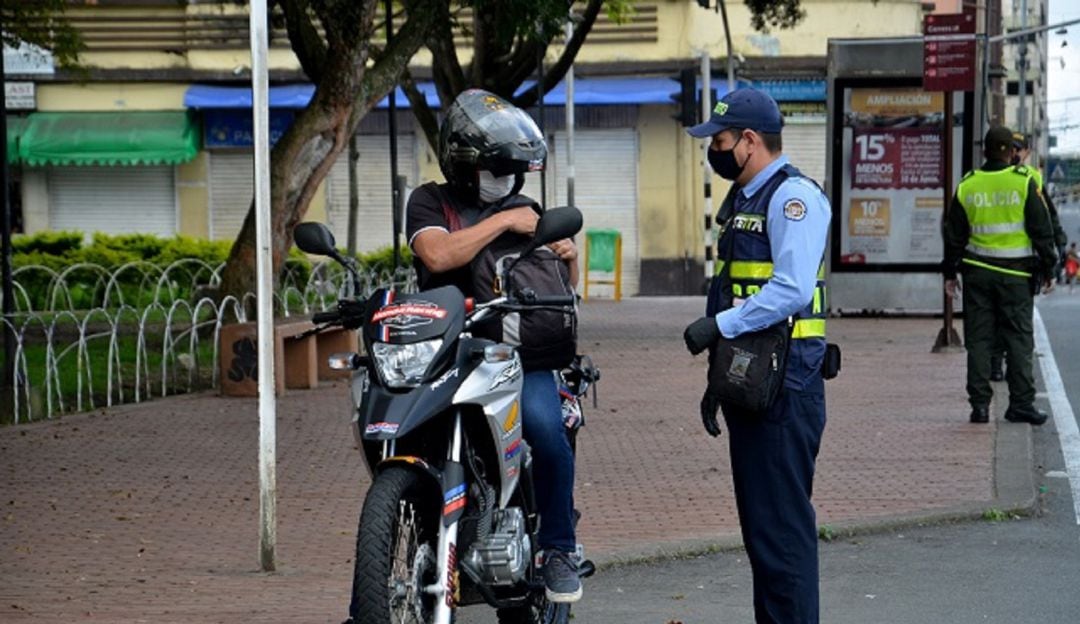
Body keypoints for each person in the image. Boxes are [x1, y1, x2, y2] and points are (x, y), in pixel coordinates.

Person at [404, 89, 583, 603]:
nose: (507, 179)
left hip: (518, 355)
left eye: (514, 169)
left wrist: (568, 255)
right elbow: (436, 256)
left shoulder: (527, 205)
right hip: (442, 353)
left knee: (547, 429)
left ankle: (557, 548)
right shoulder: (429, 201)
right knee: (404, 462)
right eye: (497, 167)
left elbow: (563, 287)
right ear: (464, 163)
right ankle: (369, 598)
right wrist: (504, 222)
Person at [681, 87, 831, 624]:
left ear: (749, 141)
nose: (714, 152)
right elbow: (743, 290)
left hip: (786, 391)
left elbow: (790, 290)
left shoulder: (793, 199)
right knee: (764, 537)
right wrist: (719, 379)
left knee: (782, 537)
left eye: (719, 141)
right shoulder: (746, 200)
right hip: (755, 384)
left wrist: (717, 326)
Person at [943, 126, 1058, 425]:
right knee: (1019, 339)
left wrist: (950, 273)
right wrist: (1049, 267)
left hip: (977, 273)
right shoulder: (1023, 182)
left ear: (985, 151)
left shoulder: (968, 184)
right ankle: (1020, 404)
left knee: (979, 340)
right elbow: (1041, 228)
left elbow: (953, 233)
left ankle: (980, 406)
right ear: (1010, 151)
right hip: (1016, 275)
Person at [988, 133, 1068, 380]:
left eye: (1018, 149)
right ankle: (997, 365)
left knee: (1012, 323)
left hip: (1019, 262)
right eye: (1010, 148)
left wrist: (1057, 250)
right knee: (999, 320)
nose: (1014, 153)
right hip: (994, 261)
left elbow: (1048, 220)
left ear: (1026, 153)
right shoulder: (986, 176)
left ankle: (1009, 371)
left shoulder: (1031, 179)